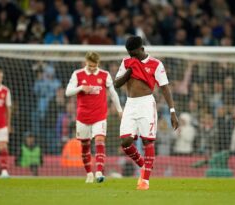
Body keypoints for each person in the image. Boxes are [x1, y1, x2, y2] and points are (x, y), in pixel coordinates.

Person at [114, 36, 179, 190]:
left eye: (133, 53)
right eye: (129, 53)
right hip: (130, 104)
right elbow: (116, 83)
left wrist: (172, 111)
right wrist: (130, 71)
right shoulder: (126, 62)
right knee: (125, 142)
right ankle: (144, 165)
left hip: (146, 104)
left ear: (141, 49)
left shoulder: (156, 64)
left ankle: (145, 181)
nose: (131, 56)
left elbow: (164, 88)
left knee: (147, 142)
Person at [65, 52, 122, 183]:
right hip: (83, 116)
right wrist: (80, 88)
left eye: (94, 65)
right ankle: (89, 173)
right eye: (90, 65)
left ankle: (99, 172)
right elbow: (68, 92)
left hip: (100, 115)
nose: (92, 68)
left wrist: (119, 110)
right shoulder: (77, 74)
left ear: (98, 63)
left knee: (100, 140)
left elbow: (113, 93)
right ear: (86, 62)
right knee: (85, 146)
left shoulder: (104, 75)